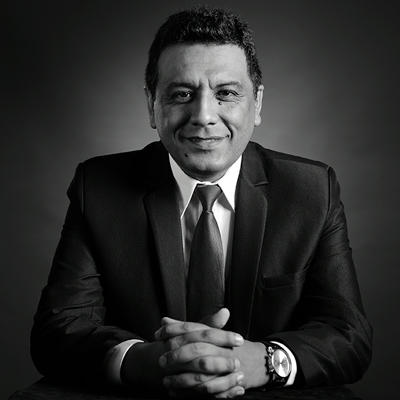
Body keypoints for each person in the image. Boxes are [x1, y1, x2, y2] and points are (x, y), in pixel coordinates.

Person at [31, 6, 372, 398]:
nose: (203, 115)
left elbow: (348, 334)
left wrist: (264, 361)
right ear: (152, 105)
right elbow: (58, 329)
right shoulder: (98, 189)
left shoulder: (312, 191)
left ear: (257, 103)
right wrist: (145, 361)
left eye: (225, 93)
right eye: (182, 94)